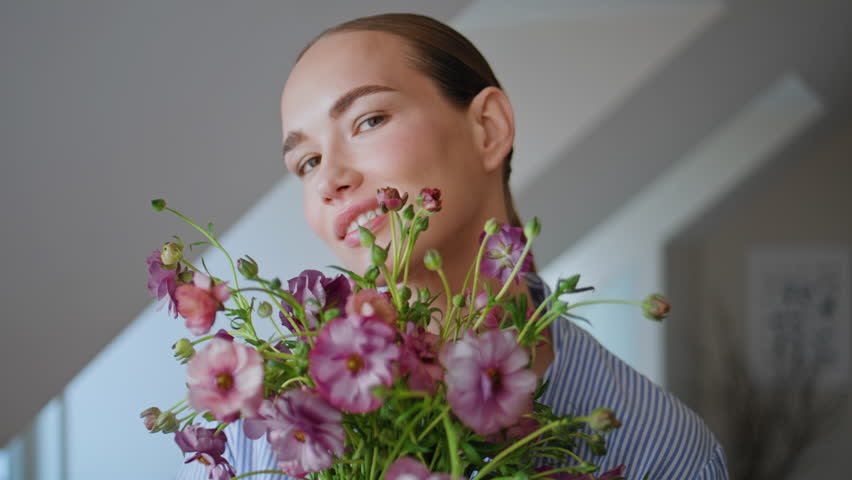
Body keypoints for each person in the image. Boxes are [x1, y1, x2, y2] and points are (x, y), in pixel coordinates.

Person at [178, 13, 728, 479]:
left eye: (368, 120)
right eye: (308, 162)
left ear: (488, 128)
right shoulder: (275, 416)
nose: (329, 181)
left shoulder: (664, 449)